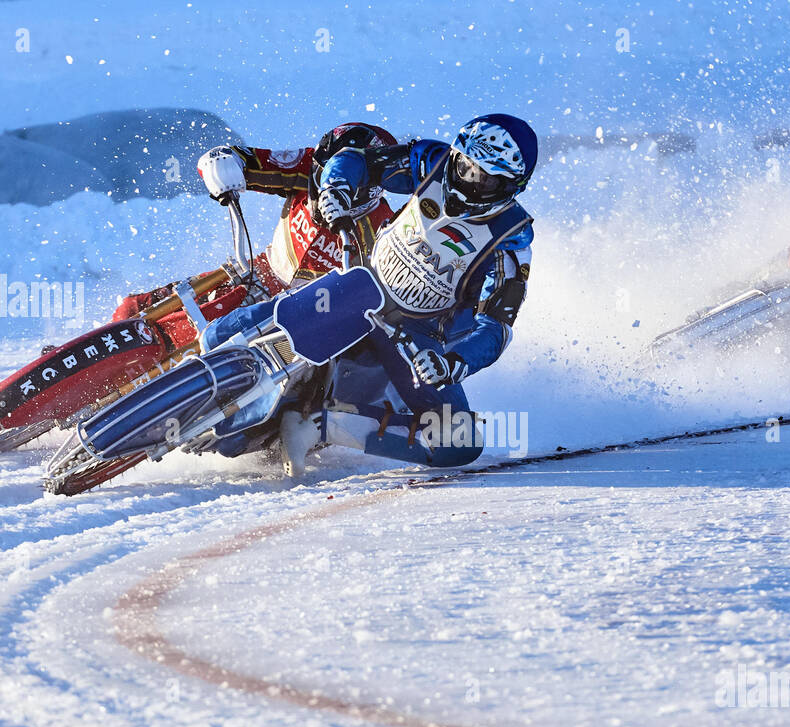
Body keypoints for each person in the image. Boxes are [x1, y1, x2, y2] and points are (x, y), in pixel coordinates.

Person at [203, 113, 538, 475]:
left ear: (510, 187)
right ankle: (198, 376)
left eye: (484, 179)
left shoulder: (511, 242)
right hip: (362, 287)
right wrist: (336, 188)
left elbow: (496, 327)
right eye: (465, 166)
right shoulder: (432, 161)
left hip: (416, 336)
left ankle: (322, 424)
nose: (467, 182)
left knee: (459, 443)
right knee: (219, 333)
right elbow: (360, 160)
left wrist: (455, 363)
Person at [108, 123, 397, 351]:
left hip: (302, 318)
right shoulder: (306, 165)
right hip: (255, 273)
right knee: (143, 308)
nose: (322, 188)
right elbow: (248, 160)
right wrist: (221, 164)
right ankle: (81, 360)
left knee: (209, 345)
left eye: (340, 179)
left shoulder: (384, 229)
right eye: (325, 171)